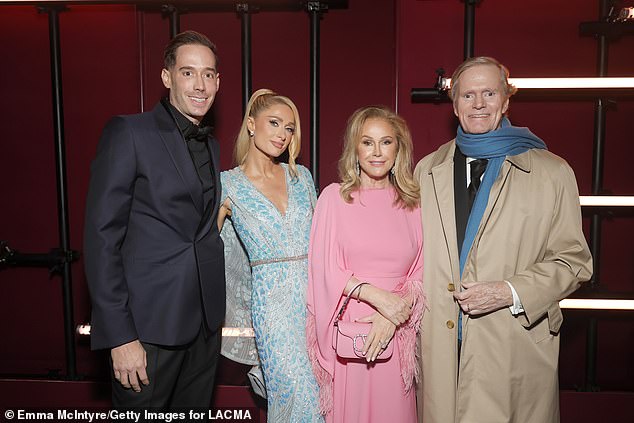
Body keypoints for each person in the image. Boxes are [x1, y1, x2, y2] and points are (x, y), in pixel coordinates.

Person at [415, 56, 593, 423]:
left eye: (489, 93)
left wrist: (509, 291)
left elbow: (574, 262)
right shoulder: (425, 170)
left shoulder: (552, 172)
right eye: (468, 95)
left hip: (513, 348)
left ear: (506, 100)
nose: (478, 104)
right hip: (441, 354)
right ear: (454, 104)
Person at [84, 31, 225, 410]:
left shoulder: (210, 144)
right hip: (146, 331)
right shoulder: (129, 132)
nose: (200, 85)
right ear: (166, 77)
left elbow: (200, 231)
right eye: (188, 73)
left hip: (204, 329)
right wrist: (120, 337)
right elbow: (102, 239)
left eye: (209, 74)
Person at [307, 106, 424, 423]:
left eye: (386, 142)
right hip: (352, 334)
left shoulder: (413, 203)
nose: (376, 152)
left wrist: (393, 316)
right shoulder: (334, 198)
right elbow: (324, 269)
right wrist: (379, 297)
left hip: (396, 335)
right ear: (354, 149)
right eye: (367, 142)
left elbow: (422, 274)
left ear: (398, 148)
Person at [217, 89, 323, 422]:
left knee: (322, 395)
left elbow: (325, 242)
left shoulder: (301, 177)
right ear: (251, 124)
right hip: (272, 310)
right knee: (294, 393)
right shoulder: (227, 185)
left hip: (315, 302)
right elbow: (205, 250)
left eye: (289, 128)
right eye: (274, 123)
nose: (282, 135)